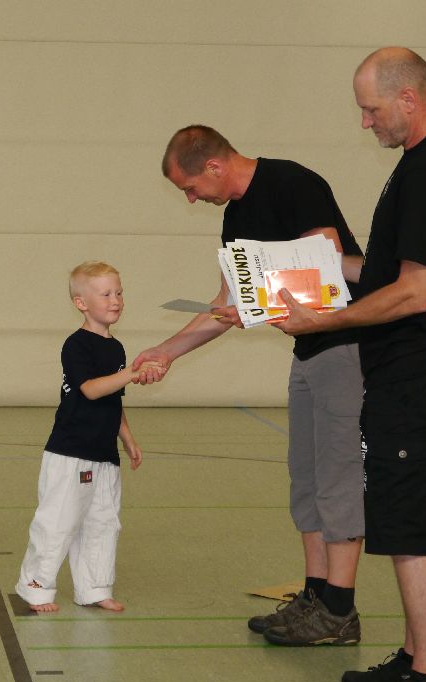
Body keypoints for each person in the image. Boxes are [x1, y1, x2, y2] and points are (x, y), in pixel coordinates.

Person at [277, 47, 426, 682]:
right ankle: (415, 656)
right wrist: (307, 263)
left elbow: (414, 293)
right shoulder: (422, 164)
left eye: (370, 110)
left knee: (410, 531)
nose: (365, 123)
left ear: (408, 99)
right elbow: (385, 270)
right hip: (409, 375)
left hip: (424, 375)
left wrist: (325, 319)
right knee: (399, 524)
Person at [133, 125, 366, 646]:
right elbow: (226, 303)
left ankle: (340, 610)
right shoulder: (235, 217)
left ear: (214, 166)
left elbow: (326, 266)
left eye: (190, 187)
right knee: (306, 478)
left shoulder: (293, 184)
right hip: (307, 351)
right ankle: (315, 595)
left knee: (338, 477)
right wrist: (166, 351)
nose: (192, 198)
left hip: (346, 347)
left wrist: (259, 303)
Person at [15, 261, 164, 613]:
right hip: (70, 452)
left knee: (103, 522)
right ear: (81, 303)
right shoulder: (76, 345)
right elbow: (91, 390)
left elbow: (113, 400)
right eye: (106, 294)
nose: (116, 300)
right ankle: (35, 586)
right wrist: (131, 373)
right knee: (58, 521)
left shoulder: (117, 348)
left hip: (104, 454)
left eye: (119, 293)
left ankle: (95, 587)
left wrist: (128, 438)